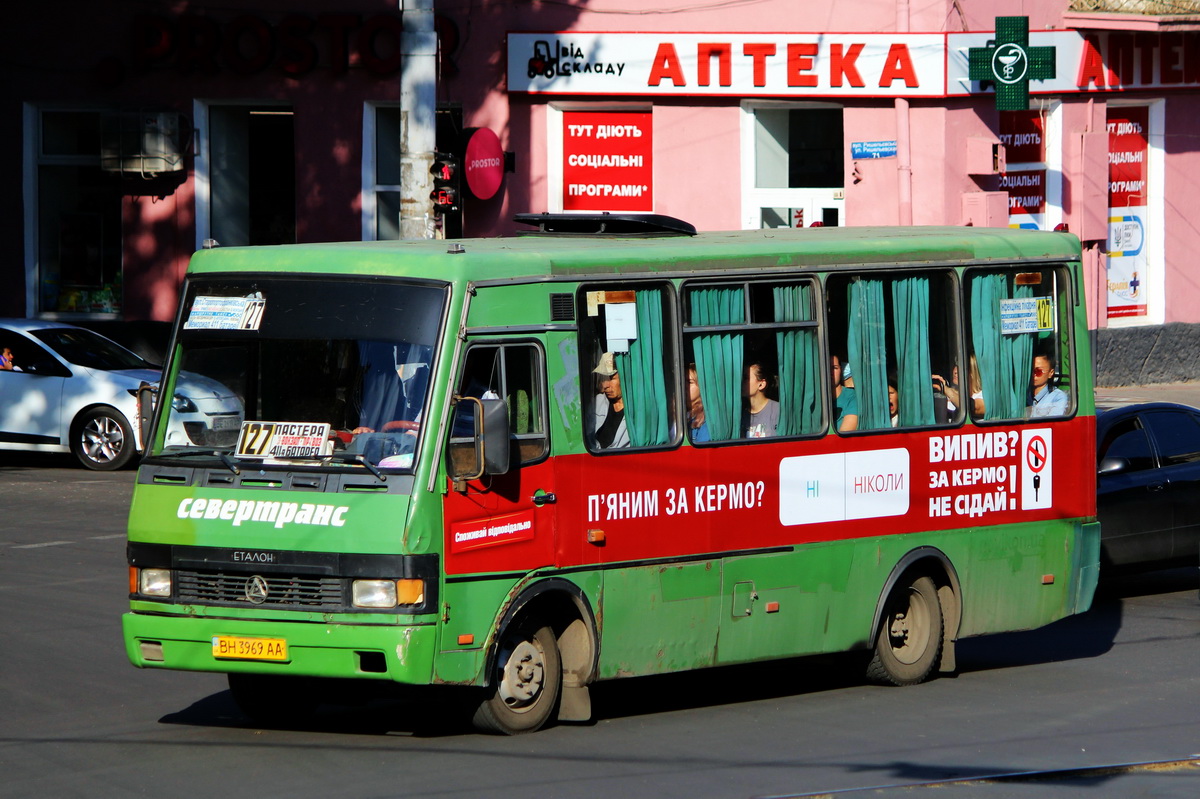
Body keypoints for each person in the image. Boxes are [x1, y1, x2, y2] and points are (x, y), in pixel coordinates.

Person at [592, 351, 629, 448]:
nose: (605, 385)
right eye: (603, 379)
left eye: (611, 378)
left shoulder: (637, 411)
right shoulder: (597, 403)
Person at [742, 361, 779, 438]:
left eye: (746, 378)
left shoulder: (777, 410)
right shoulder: (742, 416)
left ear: (761, 384)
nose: (741, 382)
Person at [1029, 353, 1068, 418]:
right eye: (1030, 371)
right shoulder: (1023, 395)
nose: (1033, 375)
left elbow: (1053, 423)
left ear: (1050, 373)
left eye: (1038, 371)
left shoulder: (1058, 397)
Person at [832, 354, 858, 431]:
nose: (830, 372)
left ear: (841, 370)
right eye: (825, 368)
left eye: (834, 368)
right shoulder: (813, 398)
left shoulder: (852, 397)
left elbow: (846, 433)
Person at [686, 364, 710, 443]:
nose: (684, 386)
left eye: (689, 382)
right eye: (681, 381)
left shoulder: (706, 419)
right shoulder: (672, 414)